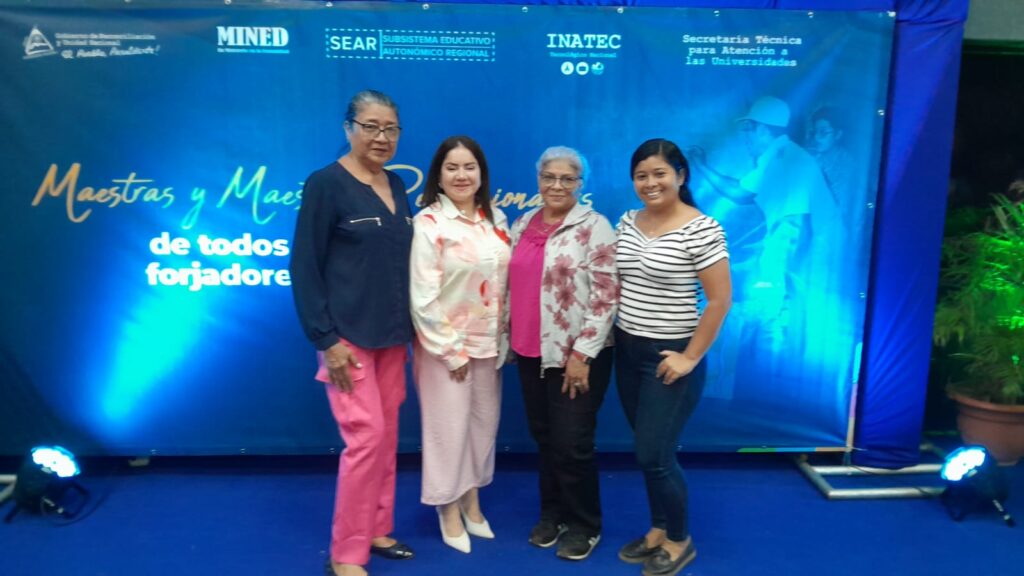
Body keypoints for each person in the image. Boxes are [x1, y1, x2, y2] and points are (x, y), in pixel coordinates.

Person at [289, 90, 415, 576]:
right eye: (371, 126)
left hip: (393, 336)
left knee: (387, 437)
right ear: (349, 128)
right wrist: (326, 340)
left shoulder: (396, 184)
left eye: (391, 128)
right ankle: (345, 553)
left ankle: (377, 527)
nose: (382, 137)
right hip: (348, 341)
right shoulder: (325, 184)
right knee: (366, 440)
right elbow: (304, 266)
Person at [614, 139, 731, 576]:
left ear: (680, 175)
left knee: (654, 455)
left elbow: (719, 301)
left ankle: (680, 540)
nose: (650, 183)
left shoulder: (702, 229)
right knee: (648, 450)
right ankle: (658, 528)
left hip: (668, 357)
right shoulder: (627, 221)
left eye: (660, 173)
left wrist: (689, 357)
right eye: (641, 175)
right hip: (626, 350)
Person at [507, 146, 618, 561]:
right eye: (549, 177)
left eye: (567, 179)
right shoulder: (522, 224)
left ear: (579, 184)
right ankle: (552, 514)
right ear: (538, 179)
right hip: (530, 351)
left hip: (577, 356)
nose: (556, 185)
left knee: (572, 443)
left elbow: (606, 297)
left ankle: (584, 524)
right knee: (545, 438)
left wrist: (582, 354)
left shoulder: (594, 226)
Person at [409, 135, 511, 554]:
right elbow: (422, 297)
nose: (461, 175)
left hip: (490, 344)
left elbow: (505, 283)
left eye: (470, 167)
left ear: (482, 173)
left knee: (482, 428)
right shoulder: (429, 223)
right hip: (445, 349)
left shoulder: (496, 219)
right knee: (447, 431)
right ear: (438, 175)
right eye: (452, 168)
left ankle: (471, 498)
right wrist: (450, 350)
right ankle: (447, 506)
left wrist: (504, 336)